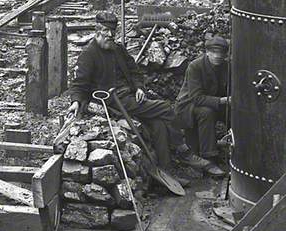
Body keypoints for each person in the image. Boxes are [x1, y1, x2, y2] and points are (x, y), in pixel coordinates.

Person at [68, 10, 176, 168]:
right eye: (105, 31)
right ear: (97, 31)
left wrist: (139, 87)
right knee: (166, 108)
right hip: (114, 103)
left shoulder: (118, 49)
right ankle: (183, 150)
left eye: (113, 31)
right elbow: (79, 83)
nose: (110, 35)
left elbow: (134, 71)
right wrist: (76, 102)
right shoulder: (88, 55)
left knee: (159, 123)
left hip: (131, 96)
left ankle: (165, 169)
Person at [175, 35, 230, 177]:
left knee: (235, 113)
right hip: (188, 106)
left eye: (221, 53)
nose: (218, 56)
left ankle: (238, 151)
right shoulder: (195, 66)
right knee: (207, 113)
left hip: (214, 102)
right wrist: (224, 100)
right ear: (207, 52)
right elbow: (196, 98)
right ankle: (209, 160)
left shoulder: (226, 66)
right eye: (214, 52)